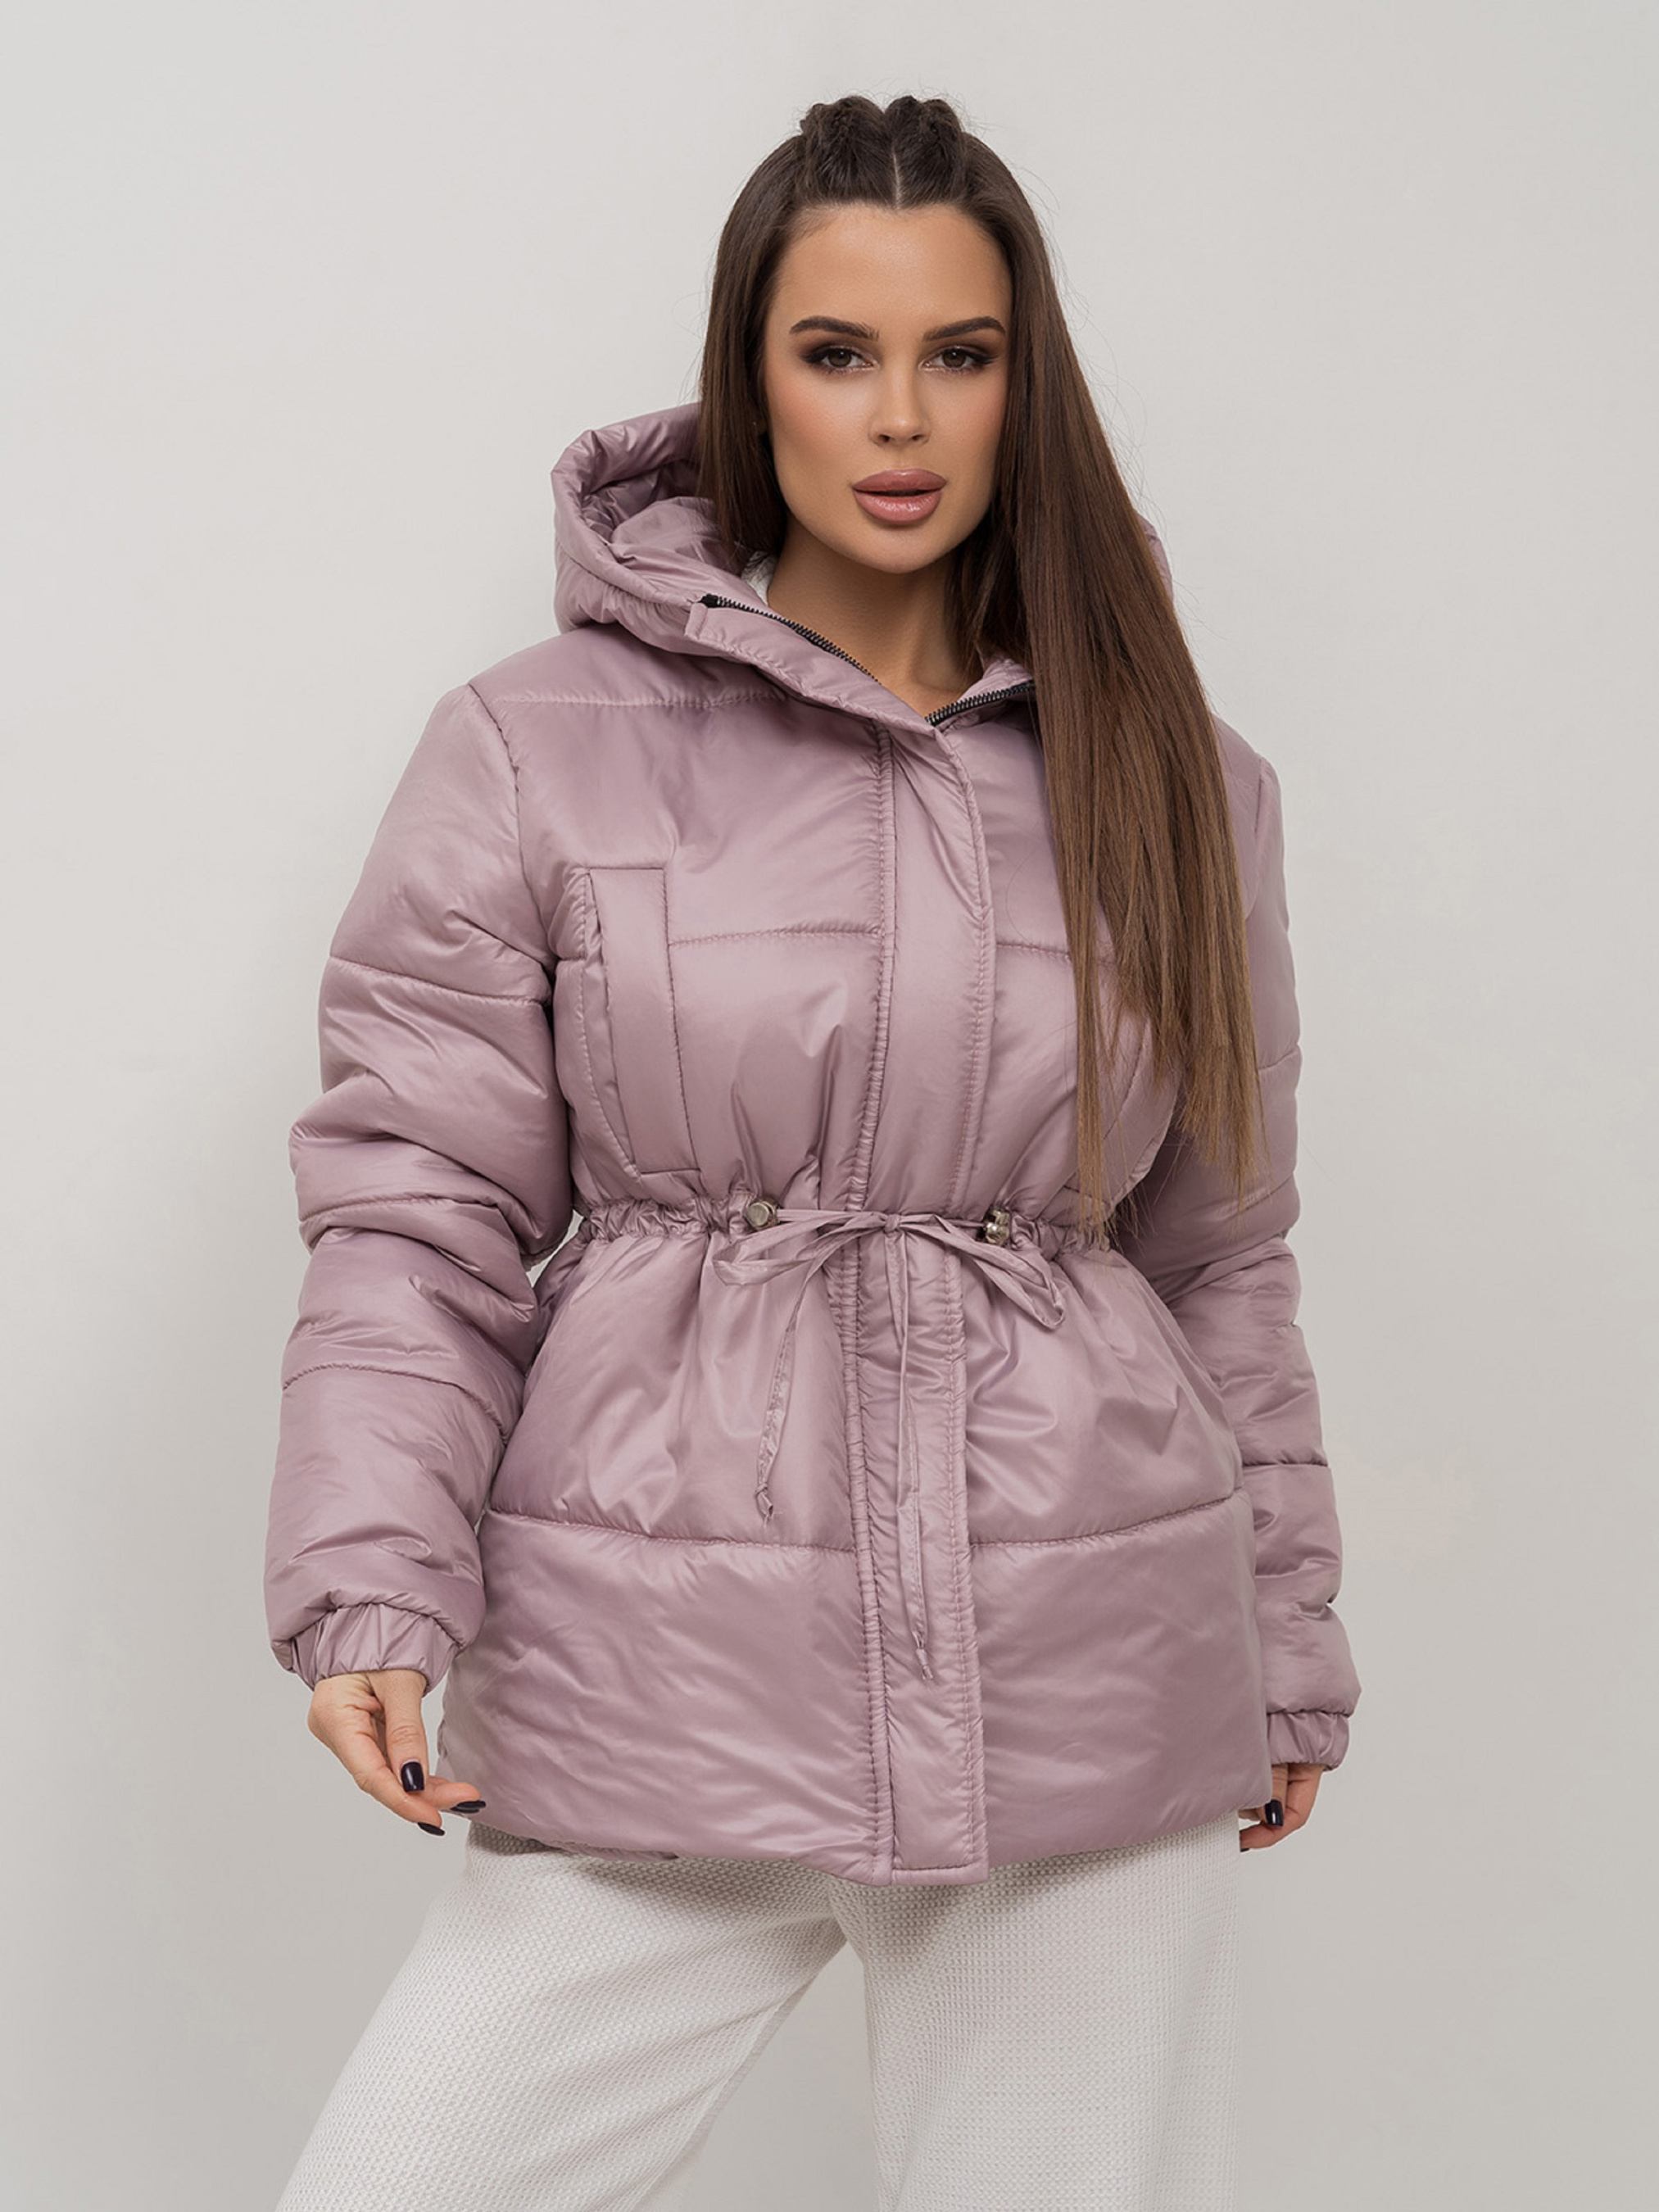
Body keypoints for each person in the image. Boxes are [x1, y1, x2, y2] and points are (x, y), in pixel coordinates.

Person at [265, 89, 1360, 2212]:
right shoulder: (537, 747)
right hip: (655, 1678)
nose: (903, 417)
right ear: (746, 376)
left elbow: (1220, 1254)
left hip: (1083, 1682)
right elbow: (416, 1209)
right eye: (837, 351)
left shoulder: (1176, 776)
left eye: (962, 353)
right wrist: (370, 1578)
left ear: (1027, 385)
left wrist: (1288, 1636)